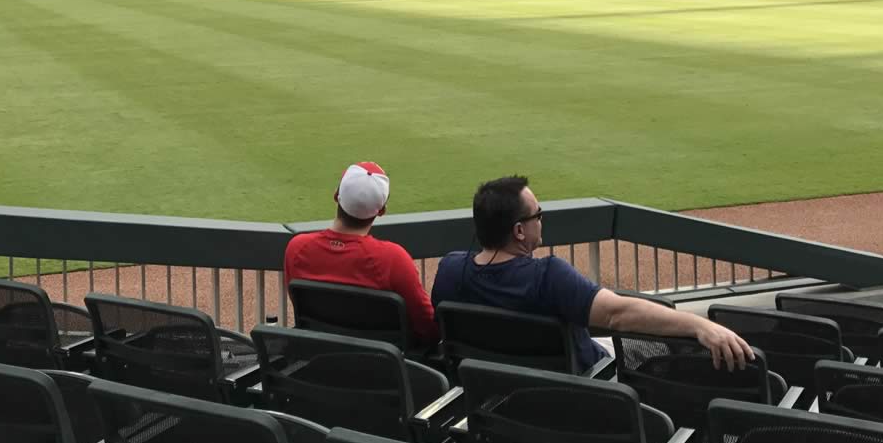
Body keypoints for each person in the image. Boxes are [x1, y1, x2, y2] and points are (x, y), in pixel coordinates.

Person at [431, 177, 752, 372]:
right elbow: (616, 314)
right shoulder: (548, 276)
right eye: (537, 216)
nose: (541, 221)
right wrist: (700, 325)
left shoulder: (450, 270)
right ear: (519, 231)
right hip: (584, 385)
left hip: (492, 395)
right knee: (663, 344)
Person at [284, 162, 438, 346]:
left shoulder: (298, 248)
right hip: (382, 369)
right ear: (381, 211)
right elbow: (429, 329)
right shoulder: (393, 259)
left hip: (317, 362)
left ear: (336, 196)